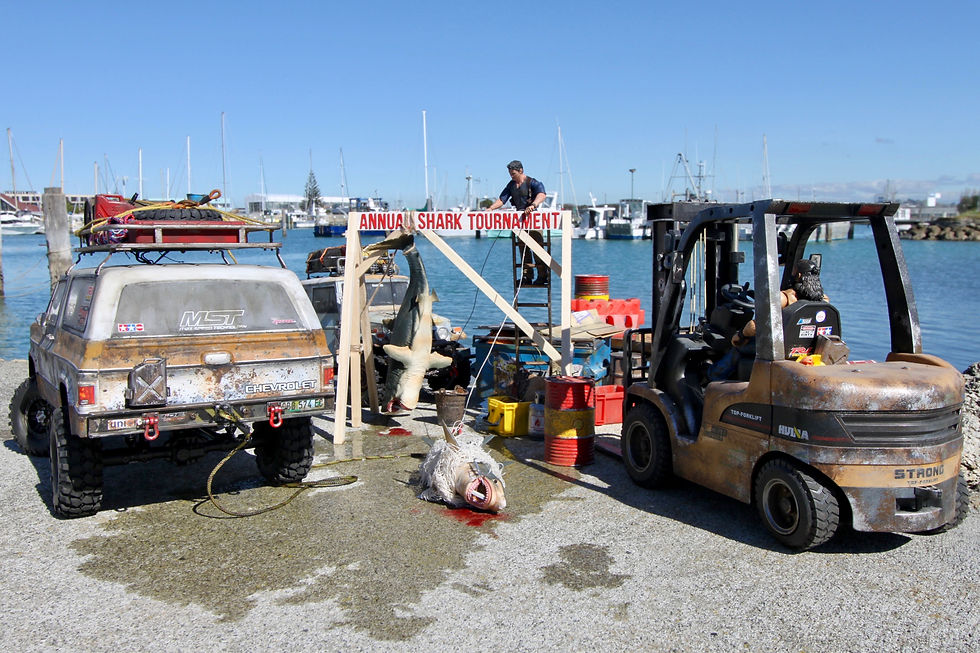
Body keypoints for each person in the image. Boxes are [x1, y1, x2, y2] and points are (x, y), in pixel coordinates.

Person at [707, 258, 828, 381]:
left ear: (798, 275)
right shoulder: (824, 300)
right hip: (806, 349)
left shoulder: (785, 298)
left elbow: (755, 325)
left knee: (738, 347)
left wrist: (741, 335)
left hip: (779, 349)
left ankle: (713, 376)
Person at [486, 160, 549, 285]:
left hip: (533, 220)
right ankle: (527, 276)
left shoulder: (532, 182)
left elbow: (542, 194)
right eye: (510, 174)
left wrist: (534, 204)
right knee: (523, 249)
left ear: (521, 171)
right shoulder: (511, 185)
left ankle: (542, 276)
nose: (512, 176)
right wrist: (491, 208)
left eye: (514, 174)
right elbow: (502, 199)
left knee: (538, 248)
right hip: (519, 222)